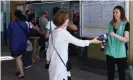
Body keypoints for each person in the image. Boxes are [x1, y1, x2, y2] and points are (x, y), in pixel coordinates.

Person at [46, 10, 101, 80]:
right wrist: (93, 41)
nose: (68, 20)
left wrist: (48, 62)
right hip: (60, 67)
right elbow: (79, 42)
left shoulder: (53, 32)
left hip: (53, 65)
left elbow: (49, 50)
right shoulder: (63, 33)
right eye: (67, 18)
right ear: (63, 20)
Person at [45, 7, 77, 80]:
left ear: (53, 14)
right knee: (64, 66)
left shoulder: (50, 23)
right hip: (62, 49)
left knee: (54, 69)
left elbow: (46, 36)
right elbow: (75, 28)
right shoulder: (63, 22)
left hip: (52, 49)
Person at [105, 6, 130, 80]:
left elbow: (126, 39)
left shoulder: (126, 24)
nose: (114, 14)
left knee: (122, 74)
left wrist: (115, 35)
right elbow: (109, 36)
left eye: (116, 12)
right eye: (113, 12)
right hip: (110, 52)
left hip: (121, 53)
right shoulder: (110, 24)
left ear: (121, 13)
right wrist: (104, 39)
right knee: (110, 75)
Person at [7, 10, 30, 78]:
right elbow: (28, 32)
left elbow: (8, 34)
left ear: (15, 16)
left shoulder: (11, 23)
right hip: (23, 43)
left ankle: (22, 73)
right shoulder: (25, 23)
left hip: (15, 44)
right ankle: (18, 70)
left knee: (17, 58)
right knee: (19, 57)